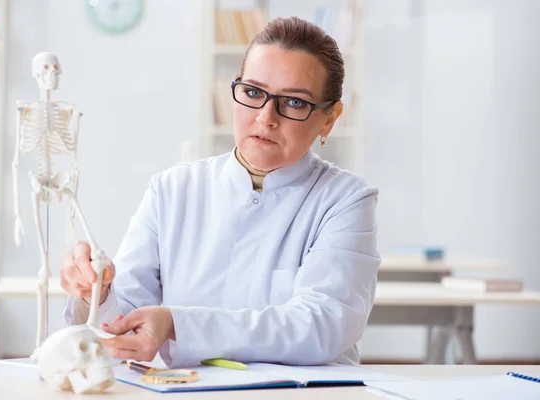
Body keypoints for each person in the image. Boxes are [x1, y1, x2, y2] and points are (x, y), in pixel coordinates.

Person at [61, 16, 380, 368]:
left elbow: (321, 327)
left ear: (329, 118)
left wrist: (176, 324)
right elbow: (127, 320)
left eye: (293, 102)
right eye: (254, 93)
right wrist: (95, 289)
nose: (265, 117)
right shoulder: (172, 190)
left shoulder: (345, 200)